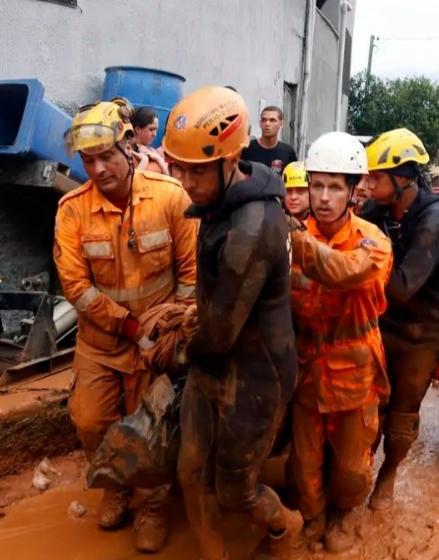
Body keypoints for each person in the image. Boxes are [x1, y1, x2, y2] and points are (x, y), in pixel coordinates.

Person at [162, 86, 301, 560]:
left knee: (236, 489)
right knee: (189, 470)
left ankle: (288, 527)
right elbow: (217, 316)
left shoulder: (253, 227)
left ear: (231, 160)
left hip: (255, 372)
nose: (184, 181)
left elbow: (219, 335)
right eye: (178, 168)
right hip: (215, 356)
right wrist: (191, 318)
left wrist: (178, 349)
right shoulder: (220, 200)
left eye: (196, 171)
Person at [54, 98, 197, 553]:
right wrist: (131, 327)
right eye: (87, 160)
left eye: (106, 157)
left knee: (153, 428)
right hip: (101, 342)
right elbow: (76, 286)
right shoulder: (71, 210)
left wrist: (174, 331)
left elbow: (192, 275)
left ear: (129, 146)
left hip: (157, 346)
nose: (97, 169)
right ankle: (115, 486)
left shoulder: (171, 197)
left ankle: (152, 506)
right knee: (90, 421)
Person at [288, 131, 393, 553]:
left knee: (351, 470)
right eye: (317, 185)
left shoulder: (373, 242)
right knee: (304, 465)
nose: (324, 196)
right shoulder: (289, 233)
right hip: (305, 369)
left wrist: (294, 240)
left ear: (354, 191)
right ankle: (313, 519)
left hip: (353, 373)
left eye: (336, 186)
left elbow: (342, 271)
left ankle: (344, 514)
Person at [360, 128, 439, 510]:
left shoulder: (435, 219)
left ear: (402, 179)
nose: (366, 185)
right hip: (382, 324)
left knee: (401, 417)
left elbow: (402, 286)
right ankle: (357, 474)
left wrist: (353, 266)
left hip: (422, 332)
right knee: (367, 409)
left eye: (375, 177)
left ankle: (387, 479)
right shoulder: (375, 211)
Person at [241, 106, 297, 175]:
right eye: (264, 120)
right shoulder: (246, 148)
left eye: (272, 120)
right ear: (260, 123)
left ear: (281, 124)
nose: (267, 124)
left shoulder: (288, 152)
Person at [130, 107, 168, 174]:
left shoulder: (152, 152)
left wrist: (158, 158)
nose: (155, 134)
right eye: (151, 129)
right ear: (137, 129)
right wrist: (144, 161)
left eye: (156, 129)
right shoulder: (128, 153)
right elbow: (132, 182)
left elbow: (171, 179)